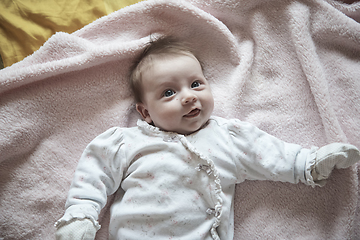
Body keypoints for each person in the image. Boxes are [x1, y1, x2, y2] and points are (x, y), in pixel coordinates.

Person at [55, 36, 360, 240]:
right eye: (169, 92)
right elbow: (94, 171)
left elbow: (268, 154)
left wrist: (309, 163)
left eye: (196, 84)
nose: (188, 97)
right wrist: (81, 213)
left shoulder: (227, 137)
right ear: (145, 112)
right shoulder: (127, 142)